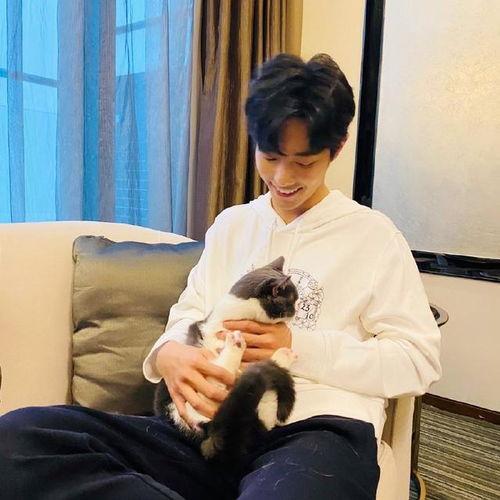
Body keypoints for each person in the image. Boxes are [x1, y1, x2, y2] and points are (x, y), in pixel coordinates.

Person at [0, 53, 441, 500]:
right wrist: (169, 354)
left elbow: (418, 361)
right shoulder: (233, 225)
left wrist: (298, 346)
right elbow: (189, 312)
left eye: (304, 163)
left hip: (314, 433)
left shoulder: (373, 236)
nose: (283, 178)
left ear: (338, 147)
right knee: (16, 441)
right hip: (205, 432)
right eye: (269, 157)